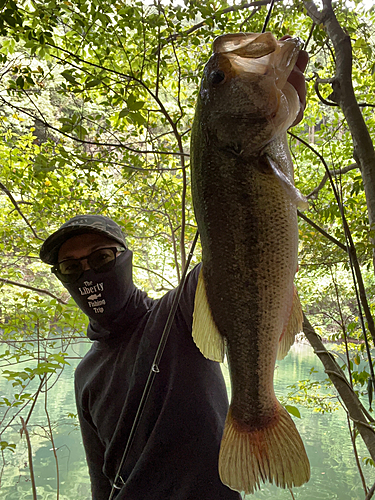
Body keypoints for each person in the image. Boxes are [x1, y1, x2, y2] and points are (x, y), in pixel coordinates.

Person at [39, 49, 308, 500]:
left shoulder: (177, 315)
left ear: (124, 259)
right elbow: (100, 481)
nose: (88, 271)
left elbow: (237, 254)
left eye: (102, 257)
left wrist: (274, 118)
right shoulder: (85, 375)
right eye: (72, 266)